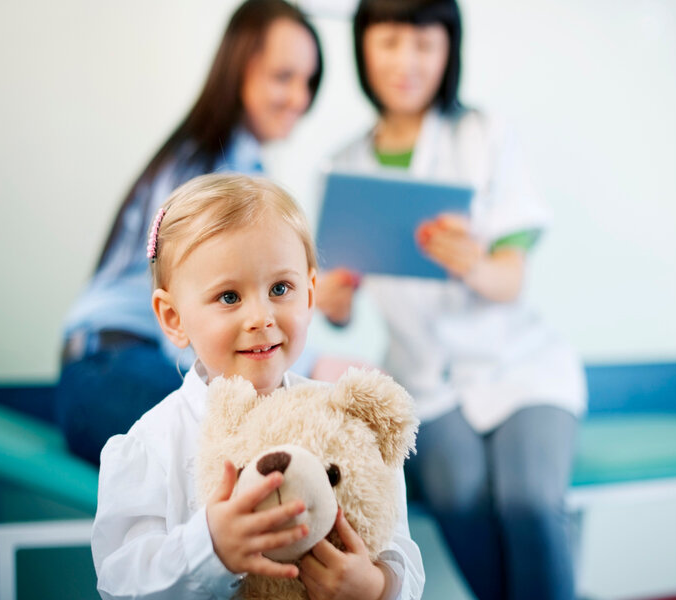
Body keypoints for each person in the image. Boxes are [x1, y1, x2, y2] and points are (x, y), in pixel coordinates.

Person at [316, 1, 587, 599]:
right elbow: (339, 313)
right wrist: (330, 300)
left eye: (424, 44)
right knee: (459, 495)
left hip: (522, 368)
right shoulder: (344, 166)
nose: (406, 62)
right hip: (425, 382)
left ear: (449, 51)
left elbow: (511, 279)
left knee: (530, 500)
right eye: (389, 42)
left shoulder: (483, 135)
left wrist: (475, 264)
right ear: (363, 47)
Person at [91, 173, 425, 600]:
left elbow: (399, 549)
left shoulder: (342, 422)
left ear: (309, 294)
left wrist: (378, 586)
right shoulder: (152, 445)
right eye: (229, 297)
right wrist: (210, 546)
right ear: (173, 318)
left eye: (280, 289)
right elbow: (121, 583)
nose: (262, 317)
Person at [56, 0, 323, 465]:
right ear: (239, 70)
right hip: (108, 368)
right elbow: (198, 338)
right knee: (274, 442)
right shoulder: (203, 174)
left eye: (309, 82)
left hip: (123, 363)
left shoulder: (245, 169)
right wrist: (314, 368)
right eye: (284, 77)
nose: (300, 97)